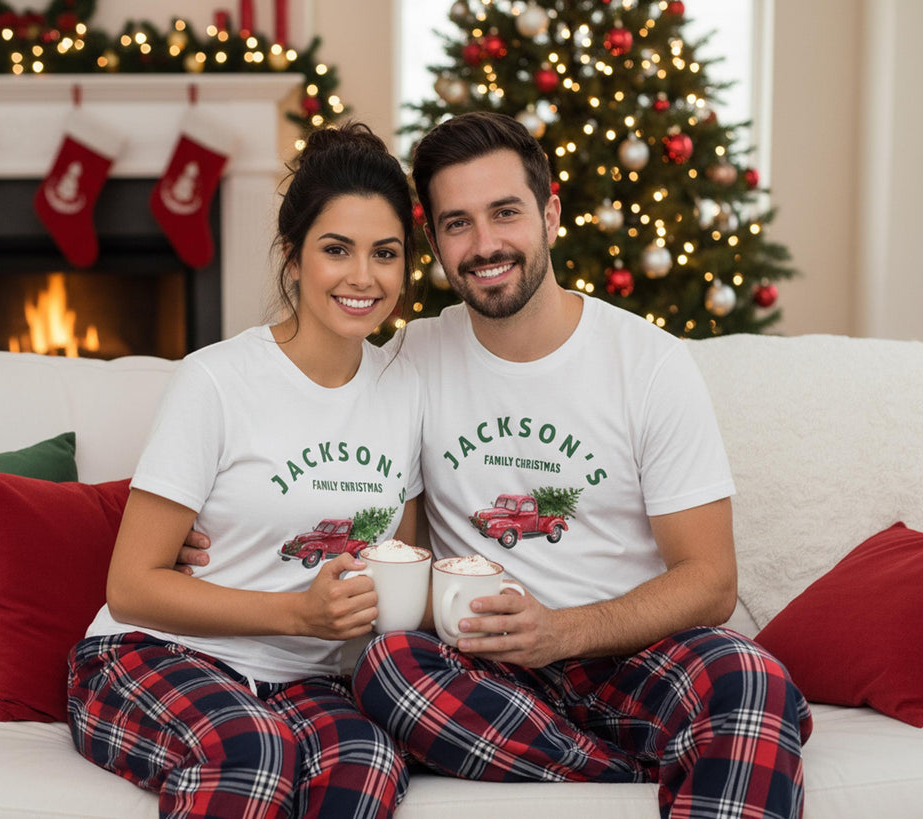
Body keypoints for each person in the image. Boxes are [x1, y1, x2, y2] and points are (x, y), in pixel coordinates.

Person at [346, 112, 814, 818]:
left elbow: (712, 581)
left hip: (632, 656)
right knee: (386, 669)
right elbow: (325, 460)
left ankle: (676, 743)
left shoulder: (648, 362)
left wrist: (561, 632)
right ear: (435, 241)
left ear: (551, 213)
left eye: (505, 213)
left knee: (750, 676)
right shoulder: (414, 356)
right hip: (484, 672)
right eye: (457, 223)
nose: (485, 244)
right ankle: (639, 769)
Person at [67, 121, 423, 819]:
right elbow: (132, 584)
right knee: (254, 752)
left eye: (386, 253)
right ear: (293, 259)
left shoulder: (408, 389)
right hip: (155, 654)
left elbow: (398, 564)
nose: (363, 276)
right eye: (336, 250)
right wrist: (294, 610)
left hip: (307, 683)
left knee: (370, 764)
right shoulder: (218, 381)